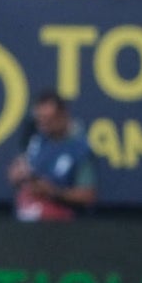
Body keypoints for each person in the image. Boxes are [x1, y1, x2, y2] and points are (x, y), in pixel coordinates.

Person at [8, 89, 97, 221]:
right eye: (40, 120)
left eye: (48, 120)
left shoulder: (81, 150)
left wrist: (53, 192)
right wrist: (16, 176)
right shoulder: (36, 139)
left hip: (59, 223)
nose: (43, 125)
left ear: (63, 115)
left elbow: (88, 196)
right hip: (26, 217)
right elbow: (18, 168)